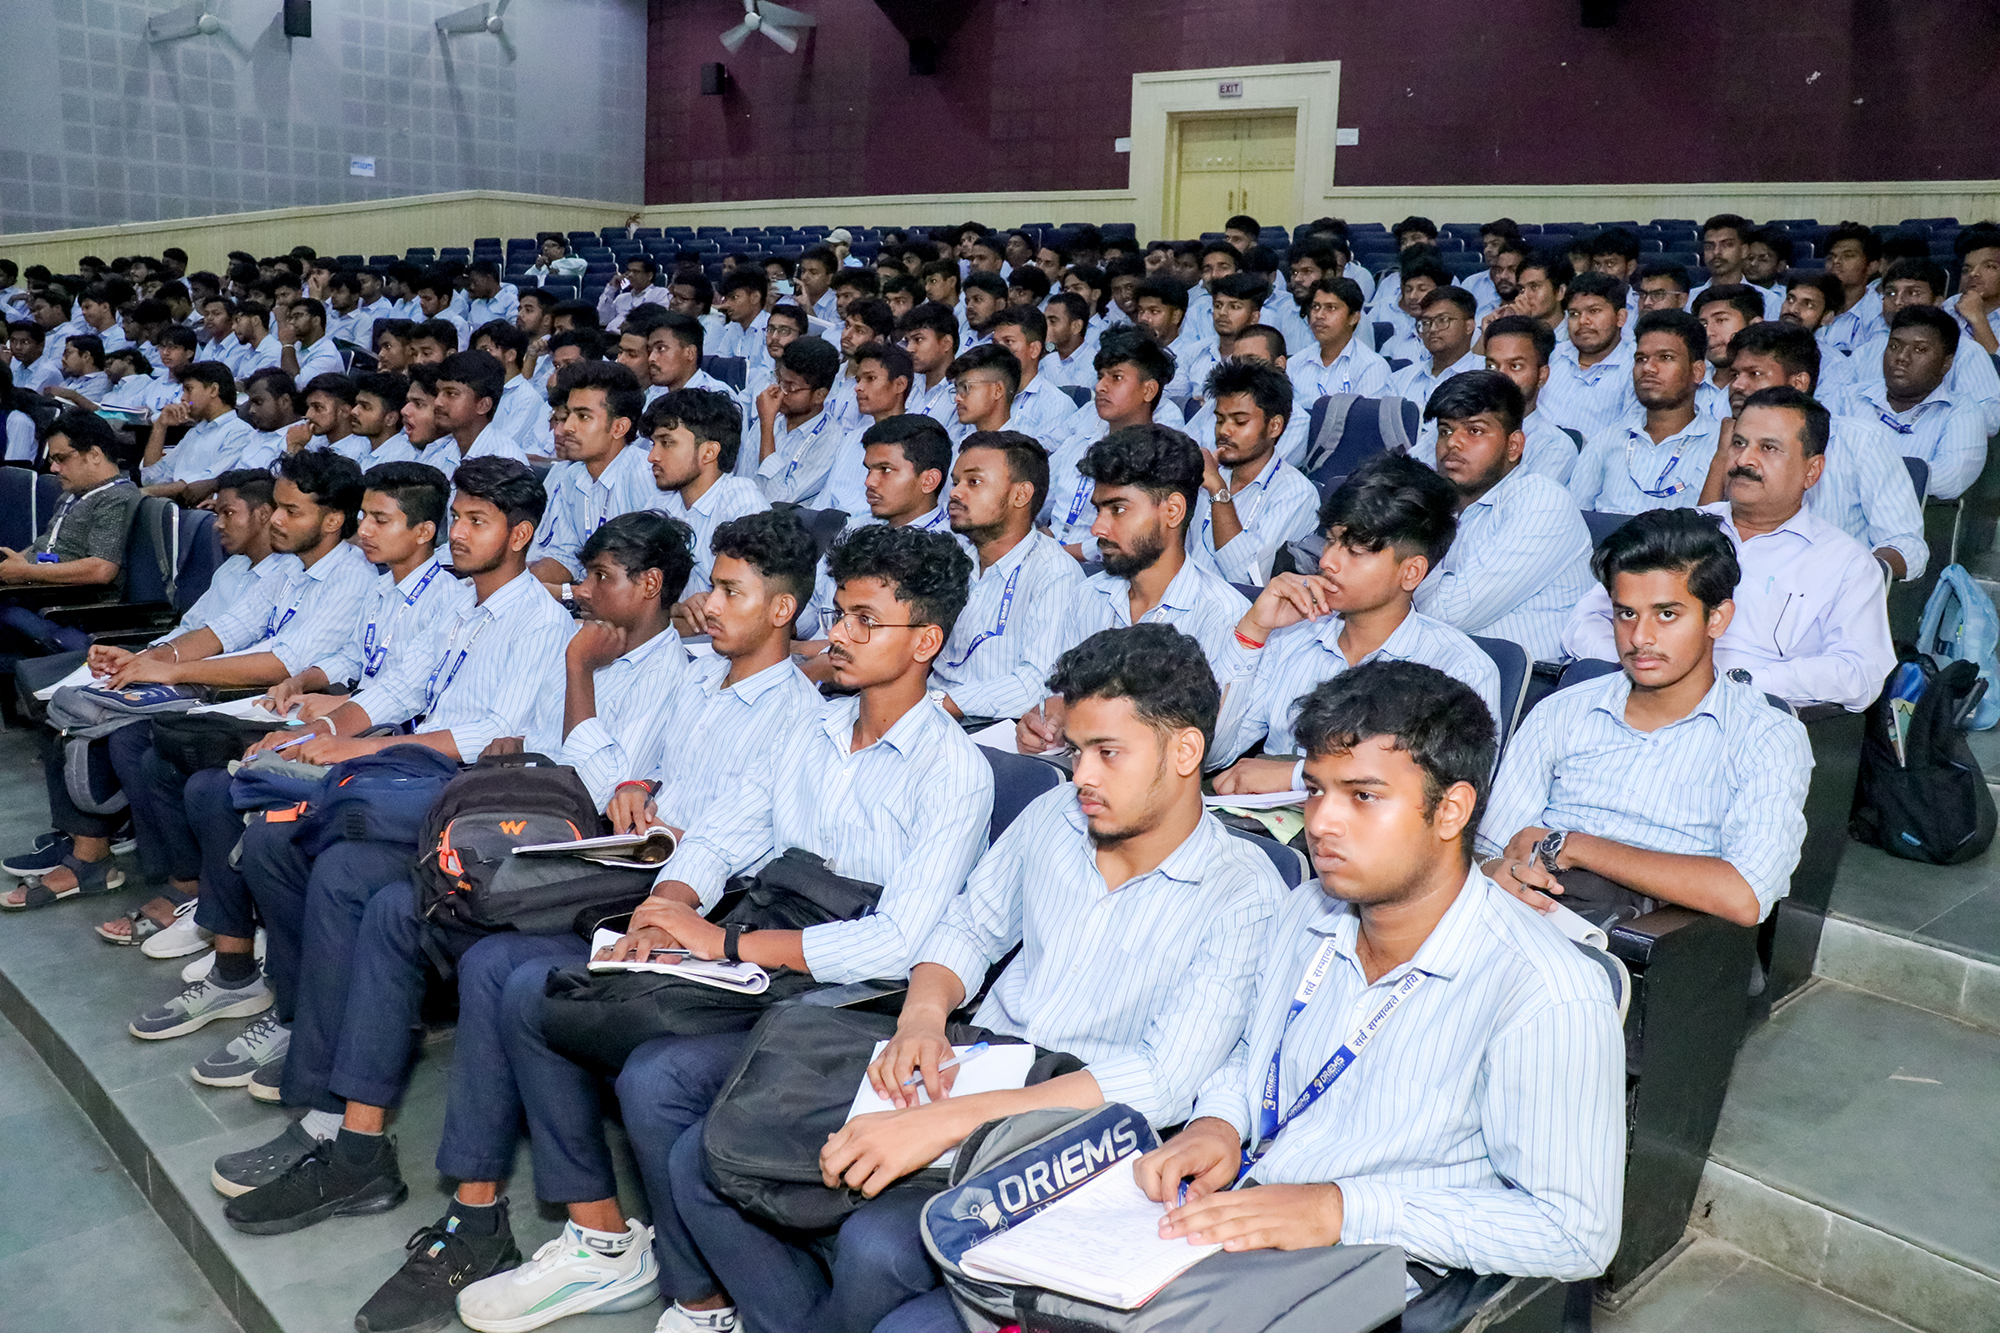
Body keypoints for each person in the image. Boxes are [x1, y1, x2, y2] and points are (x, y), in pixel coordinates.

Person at [436, 523, 989, 1333]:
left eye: (865, 620)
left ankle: (701, 1300)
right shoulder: (814, 729)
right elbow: (726, 833)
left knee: (658, 1075)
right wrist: (667, 907)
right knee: (537, 993)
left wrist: (724, 943)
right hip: (768, 940)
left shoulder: (954, 770)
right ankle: (601, 1240)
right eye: (839, 613)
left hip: (846, 992)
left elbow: (896, 942)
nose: (839, 633)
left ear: (925, 642)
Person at [674, 623, 1281, 1333]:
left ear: (1184, 751)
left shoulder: (1242, 891)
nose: (1081, 775)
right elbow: (967, 929)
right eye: (1076, 749)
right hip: (982, 1063)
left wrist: (943, 1121)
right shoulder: (1057, 816)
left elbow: (1162, 1079)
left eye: (1108, 752)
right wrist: (922, 1020)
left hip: (1086, 1125)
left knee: (877, 1245)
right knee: (699, 1158)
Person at [1133, 661, 1623, 1306]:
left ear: (1450, 810)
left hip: (1382, 1264)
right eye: (1315, 790)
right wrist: (1219, 1123)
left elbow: (1574, 1234)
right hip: (1255, 1206)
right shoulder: (1306, 911)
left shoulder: (1544, 992)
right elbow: (1255, 1051)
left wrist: (1342, 1209)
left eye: (1362, 796)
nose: (1321, 823)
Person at [1482, 506, 1812, 931]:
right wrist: (1495, 870)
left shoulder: (1766, 737)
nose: (1640, 638)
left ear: (1717, 618)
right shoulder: (1560, 712)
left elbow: (1746, 895)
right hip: (1521, 914)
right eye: (1626, 614)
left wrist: (1577, 846)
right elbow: (1490, 849)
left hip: (1647, 940)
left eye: (1667, 614)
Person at [1564, 388, 1894, 711]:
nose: (1744, 459)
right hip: (1640, 697)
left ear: (1812, 471)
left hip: (1752, 713)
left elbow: (1859, 672)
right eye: (1739, 443)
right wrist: (1638, 665)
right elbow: (1585, 620)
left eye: (1768, 448)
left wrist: (1739, 682)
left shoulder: (1846, 562)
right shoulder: (1680, 532)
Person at [1211, 454, 1501, 794]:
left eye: (1354, 551)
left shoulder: (1459, 669)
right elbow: (1213, 753)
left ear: (1411, 572)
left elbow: (1437, 795)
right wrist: (1254, 629)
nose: (1327, 561)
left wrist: (1299, 775)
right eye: (1331, 540)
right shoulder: (1292, 635)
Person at [1019, 425, 1251, 750]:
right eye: (1098, 510)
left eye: (1118, 509)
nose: (1098, 527)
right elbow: (1060, 697)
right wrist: (1049, 716)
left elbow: (1209, 751)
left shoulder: (1222, 615)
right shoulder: (1089, 595)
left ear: (1172, 511)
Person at [1700, 322, 1925, 582]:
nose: (1738, 385)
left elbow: (1907, 545)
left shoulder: (1860, 440)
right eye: (1735, 374)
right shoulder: (1721, 435)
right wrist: (1722, 455)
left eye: (1755, 374)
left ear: (1798, 383)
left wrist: (1846, 574)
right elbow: (1698, 537)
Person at [1412, 372, 1595, 661]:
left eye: (1474, 431)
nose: (1453, 443)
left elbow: (1447, 614)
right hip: (1443, 666)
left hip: (1531, 681)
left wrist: (1408, 575)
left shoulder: (1542, 501)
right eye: (1445, 430)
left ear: (1514, 446)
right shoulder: (1442, 505)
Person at [928, 430, 1088, 722]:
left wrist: (938, 704)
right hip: (931, 706)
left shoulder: (1055, 573)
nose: (955, 493)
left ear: (1021, 495)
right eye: (956, 482)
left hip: (990, 726)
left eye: (974, 482)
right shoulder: (953, 559)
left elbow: (1038, 684)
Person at [0, 412, 143, 659]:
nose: (53, 468)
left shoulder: (116, 497)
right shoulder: (74, 493)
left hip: (68, 610)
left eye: (61, 458)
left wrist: (25, 572)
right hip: (32, 594)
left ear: (95, 455)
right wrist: (12, 564)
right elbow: (45, 545)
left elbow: (102, 568)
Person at [1825, 305, 1988, 500]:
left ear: (1946, 363)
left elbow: (1951, 479)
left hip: (1912, 513)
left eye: (1919, 349)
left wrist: (1865, 473)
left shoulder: (1962, 411)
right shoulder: (1847, 398)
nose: (1902, 357)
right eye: (1894, 346)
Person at [1043, 328, 1181, 557]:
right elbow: (1040, 500)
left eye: (1116, 378)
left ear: (1148, 390)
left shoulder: (1160, 459)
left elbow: (1133, 540)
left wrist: (1060, 552)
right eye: (1100, 377)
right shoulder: (1080, 442)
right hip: (1050, 556)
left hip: (1105, 568)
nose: (1100, 387)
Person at [1568, 310, 1722, 514]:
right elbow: (1575, 515)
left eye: (1665, 357)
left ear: (1697, 372)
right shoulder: (1608, 440)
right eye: (1641, 359)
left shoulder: (1719, 446)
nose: (1649, 368)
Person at [527, 361, 656, 596]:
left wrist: (567, 593)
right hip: (589, 597)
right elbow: (563, 558)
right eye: (569, 414)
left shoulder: (647, 478)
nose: (567, 427)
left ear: (619, 427)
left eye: (583, 416)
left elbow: (646, 577)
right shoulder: (571, 477)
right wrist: (512, 585)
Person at [1831, 260, 2000, 436]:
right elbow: (1833, 406)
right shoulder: (1865, 353)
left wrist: (1926, 417)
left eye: (1912, 293)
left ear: (1938, 302)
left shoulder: (1966, 352)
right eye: (1890, 293)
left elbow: (1990, 421)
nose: (1898, 301)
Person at [645, 387, 769, 627]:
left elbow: (754, 606)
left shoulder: (742, 501)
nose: (652, 456)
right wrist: (676, 608)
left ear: (709, 452)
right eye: (653, 444)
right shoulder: (660, 502)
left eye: (667, 443)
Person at [1187, 358, 1318, 583]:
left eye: (1239, 422)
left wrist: (1218, 491)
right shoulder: (1208, 476)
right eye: (1219, 420)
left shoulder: (1296, 493)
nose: (1224, 430)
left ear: (1274, 426)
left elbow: (1249, 579)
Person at [138, 361, 260, 499]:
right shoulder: (195, 432)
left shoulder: (239, 432)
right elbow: (151, 478)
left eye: (189, 389)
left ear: (213, 390)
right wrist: (160, 426)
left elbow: (198, 485)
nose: (183, 398)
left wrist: (146, 492)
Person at [1537, 271, 1636, 440]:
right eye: (1574, 314)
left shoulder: (1635, 367)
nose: (1582, 321)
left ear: (1620, 318)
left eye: (1594, 311)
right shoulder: (1553, 355)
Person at [753, 335, 842, 503]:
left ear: (820, 395)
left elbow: (777, 499)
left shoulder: (830, 440)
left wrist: (767, 426)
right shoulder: (769, 416)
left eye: (790, 387)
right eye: (779, 380)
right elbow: (744, 477)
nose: (780, 393)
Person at [418, 349, 532, 480]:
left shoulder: (506, 461)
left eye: (451, 394)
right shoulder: (439, 450)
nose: (438, 402)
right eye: (438, 392)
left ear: (483, 405)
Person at [988, 305, 1086, 444]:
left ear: (1034, 349)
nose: (997, 350)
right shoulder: (985, 394)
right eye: (995, 343)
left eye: (1008, 342)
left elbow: (1038, 457)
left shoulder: (1055, 404)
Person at [1290, 276, 1392, 405]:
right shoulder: (1295, 364)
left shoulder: (1372, 367)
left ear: (1354, 318)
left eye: (1331, 308)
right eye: (1315, 307)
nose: (1319, 315)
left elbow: (1364, 417)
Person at [1390, 285, 1485, 406]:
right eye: (1426, 322)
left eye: (1443, 320)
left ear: (1469, 326)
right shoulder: (1399, 380)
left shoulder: (1487, 374)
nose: (1432, 329)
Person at [1689, 214, 1784, 319]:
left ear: (1744, 251)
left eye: (1727, 245)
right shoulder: (1690, 297)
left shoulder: (1768, 300)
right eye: (1709, 246)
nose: (1716, 252)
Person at [348, 371, 421, 470]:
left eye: (365, 407)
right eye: (357, 404)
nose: (354, 411)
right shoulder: (362, 448)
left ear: (391, 419)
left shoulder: (400, 459)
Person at [597, 253, 669, 333]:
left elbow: (657, 321)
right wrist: (610, 289)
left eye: (636, 272)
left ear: (649, 275)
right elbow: (603, 320)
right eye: (629, 271)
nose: (630, 275)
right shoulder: (622, 298)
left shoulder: (660, 293)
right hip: (608, 335)